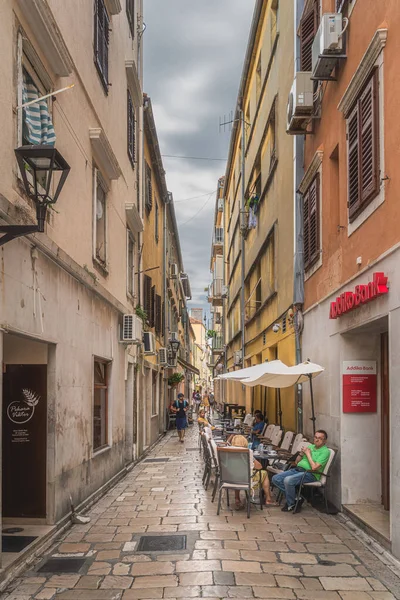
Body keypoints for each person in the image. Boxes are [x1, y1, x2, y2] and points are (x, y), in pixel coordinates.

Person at [271, 430, 330, 513]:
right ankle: (297, 498)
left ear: (324, 441)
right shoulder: (310, 447)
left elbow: (314, 467)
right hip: (297, 470)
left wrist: (308, 454)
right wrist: (301, 453)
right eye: (315, 437)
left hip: (310, 474)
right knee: (275, 478)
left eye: (320, 438)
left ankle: (291, 504)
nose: (316, 440)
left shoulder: (325, 451)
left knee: (288, 480)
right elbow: (297, 462)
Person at [230, 435, 278, 510]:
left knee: (237, 474)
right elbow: (259, 467)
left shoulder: (227, 452)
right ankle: (268, 499)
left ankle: (237, 498)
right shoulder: (247, 452)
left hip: (231, 479)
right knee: (264, 473)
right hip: (246, 479)